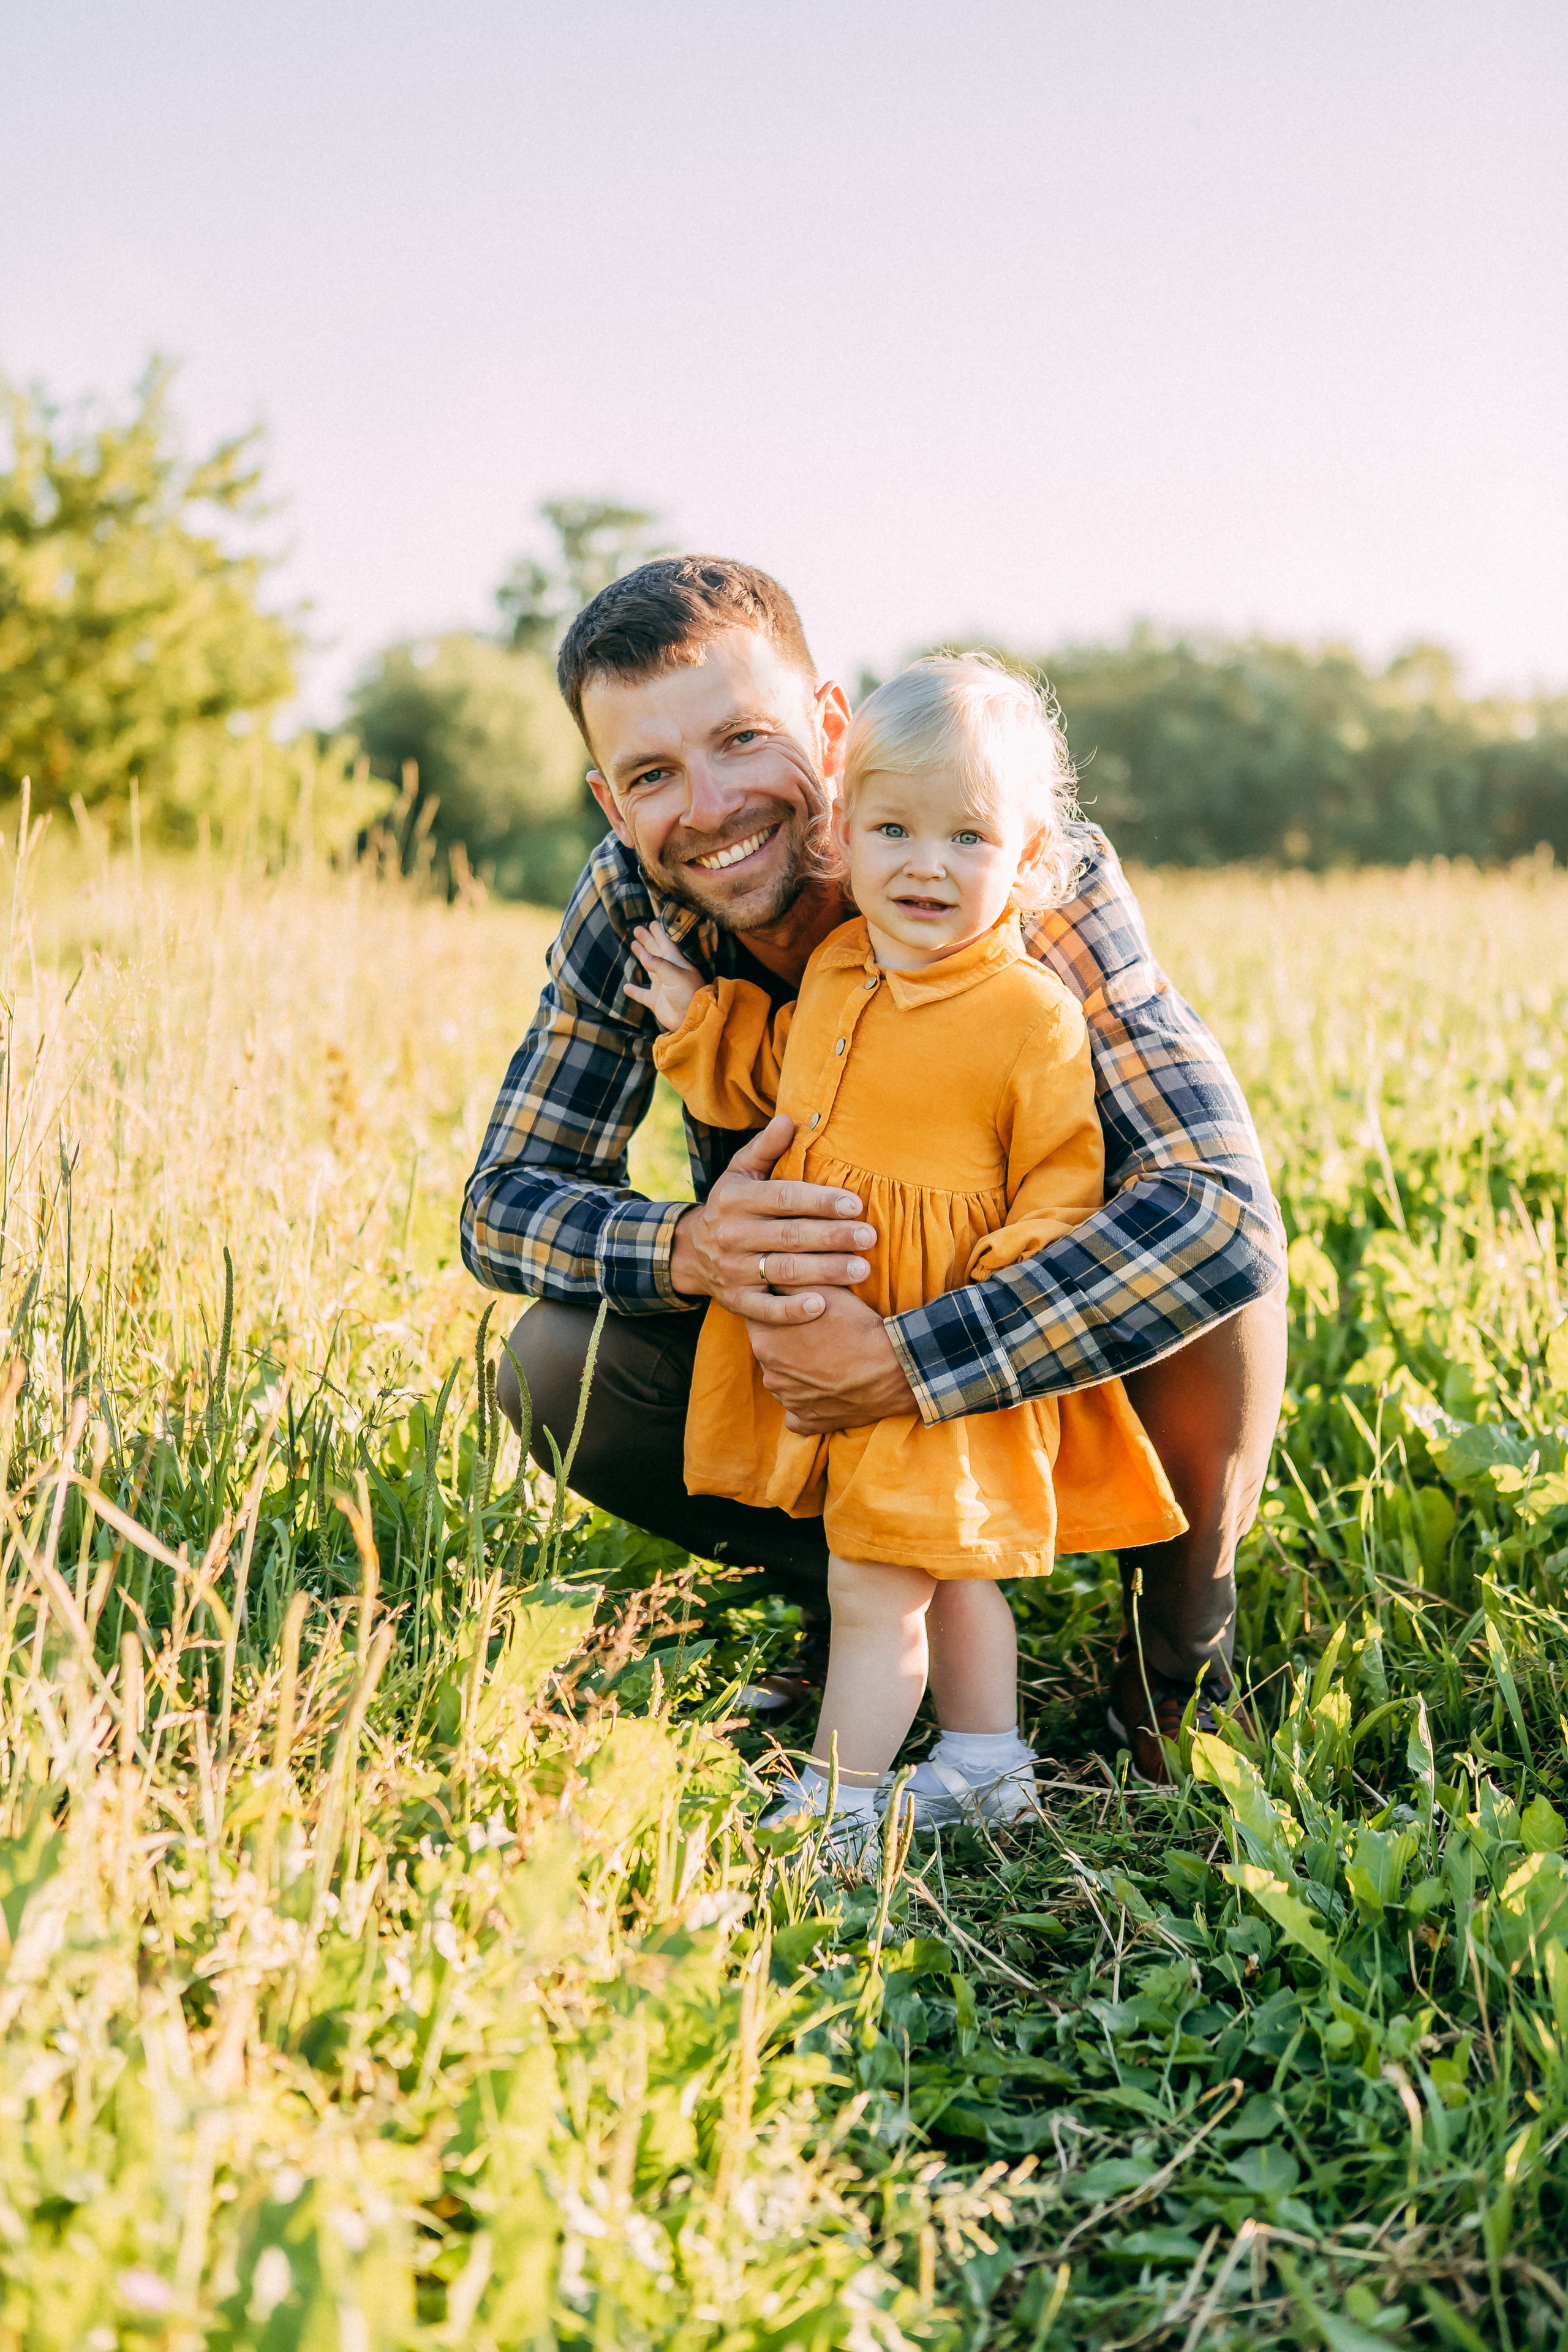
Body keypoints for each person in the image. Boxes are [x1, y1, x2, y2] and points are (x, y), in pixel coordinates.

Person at [461, 557, 1287, 1784]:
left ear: (831, 727)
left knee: (1215, 1284)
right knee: (552, 1366)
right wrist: (691, 1247)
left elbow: (1215, 1212)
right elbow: (504, 1201)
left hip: (1017, 1333)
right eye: (651, 775)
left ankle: (1173, 1656)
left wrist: (906, 1361)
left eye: (742, 740)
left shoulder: (1005, 858)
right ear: (610, 801)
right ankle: (851, 1590)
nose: (708, 806)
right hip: (808, 1351)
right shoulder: (634, 903)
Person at [625, 655, 1191, 1841]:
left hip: (943, 1346)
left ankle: (836, 1806)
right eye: (893, 830)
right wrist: (697, 1022)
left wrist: (979, 1304)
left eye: (966, 838)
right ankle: (988, 1764)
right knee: (948, 1563)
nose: (925, 865)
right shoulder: (841, 967)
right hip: (847, 1334)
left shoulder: (1029, 1014)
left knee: (873, 1578)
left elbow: (1062, 1182)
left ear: (1026, 861)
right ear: (842, 834)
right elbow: (777, 1078)